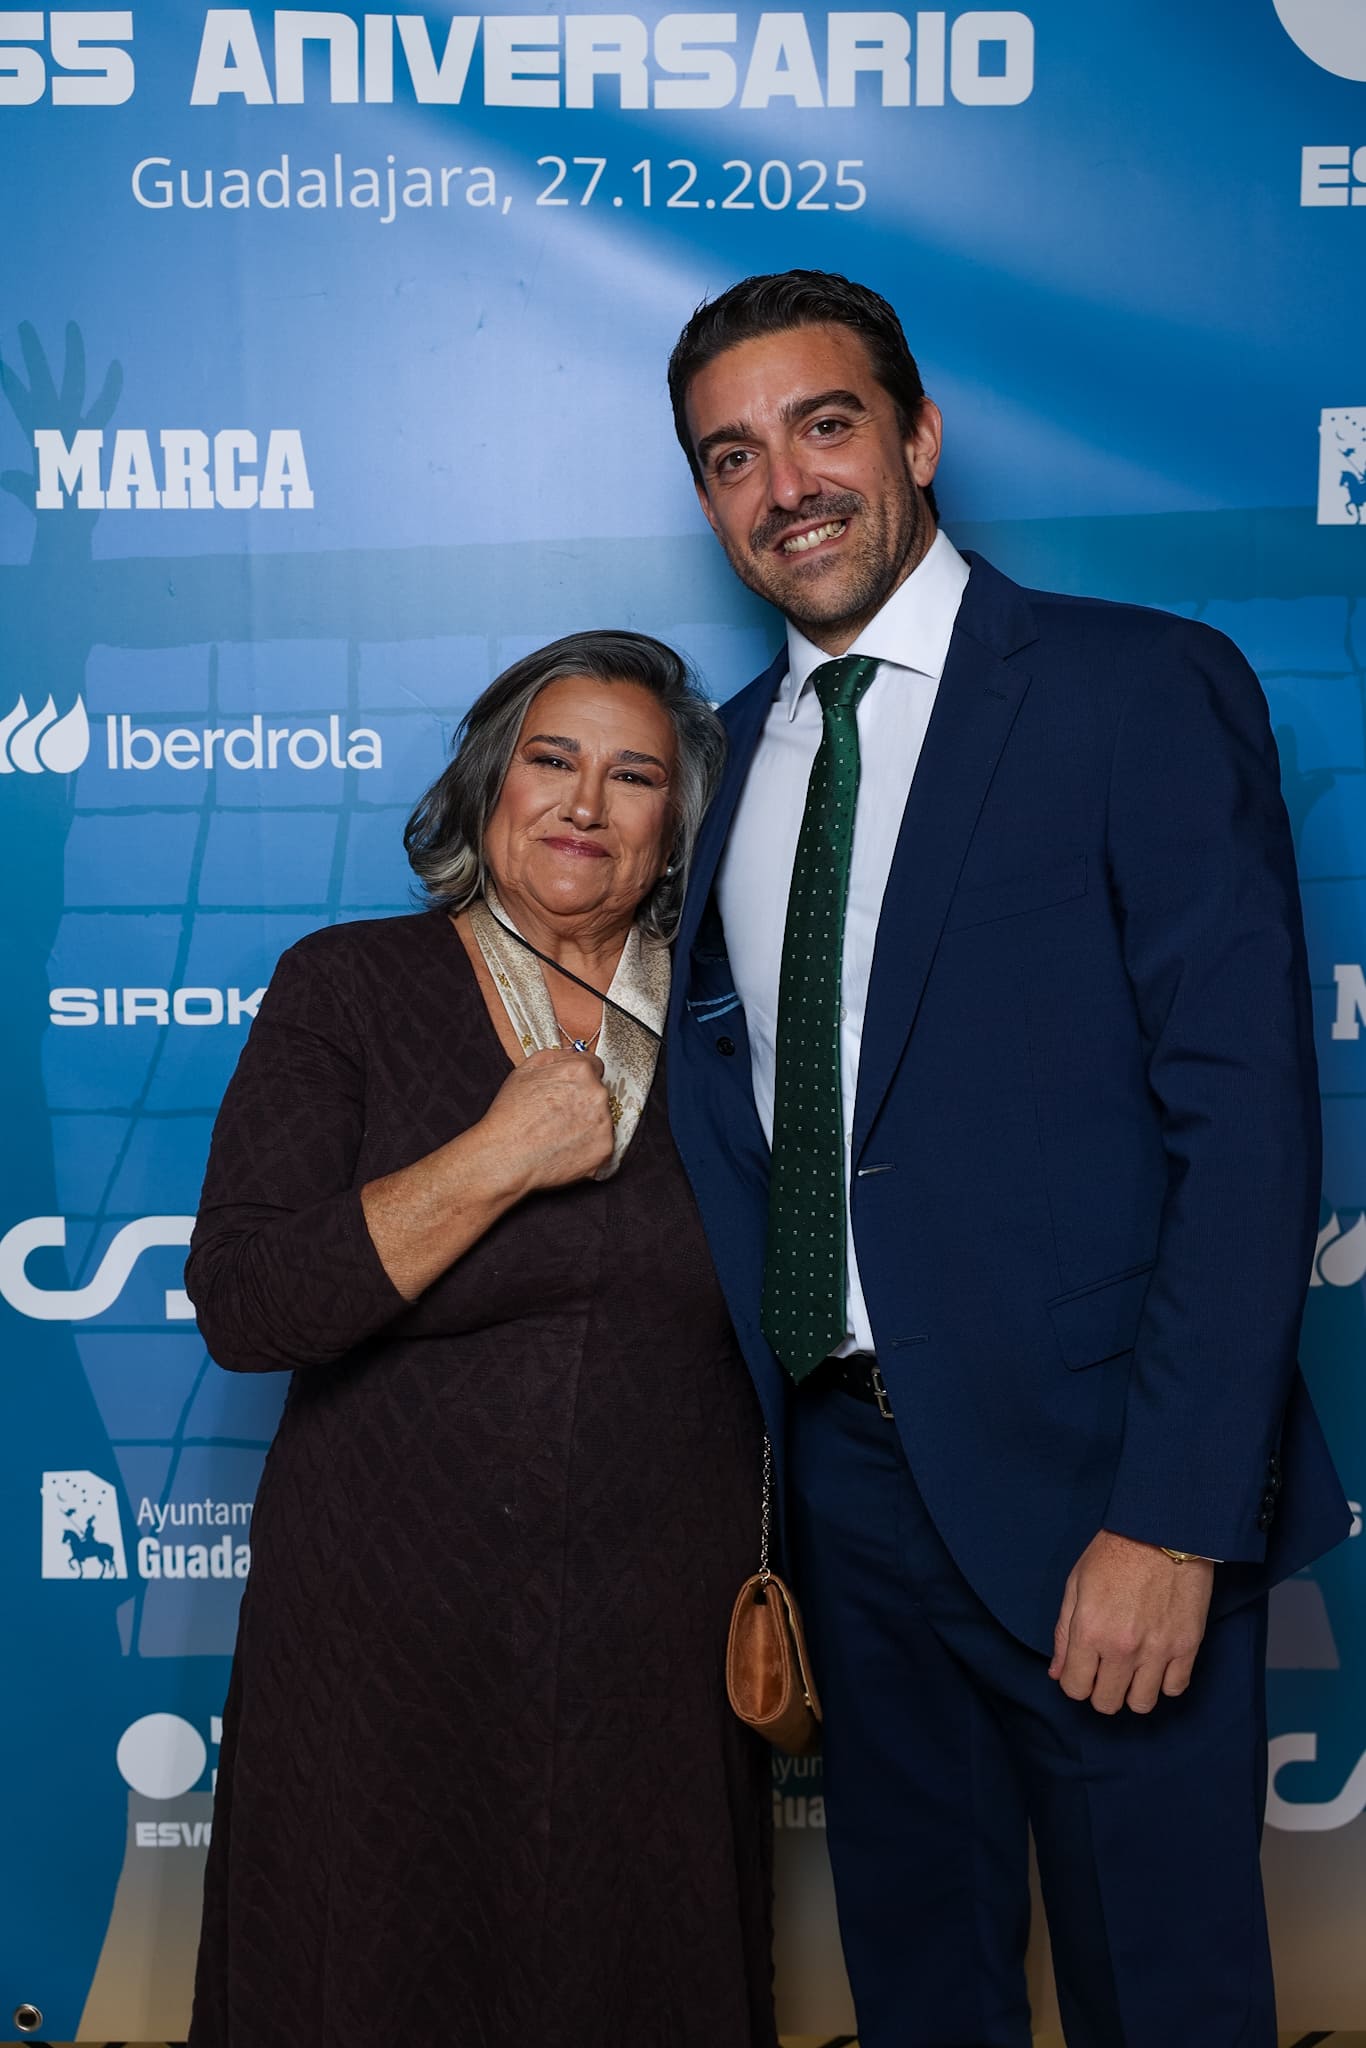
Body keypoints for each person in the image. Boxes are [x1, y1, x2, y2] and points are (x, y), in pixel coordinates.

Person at [662, 270, 1351, 2047]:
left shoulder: (1134, 686)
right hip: (843, 1495)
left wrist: (1173, 1517)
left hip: (1100, 1495)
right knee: (921, 1995)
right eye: (730, 456)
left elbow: (1246, 1123)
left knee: (1162, 2000)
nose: (784, 486)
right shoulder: (719, 767)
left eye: (822, 425)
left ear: (917, 436)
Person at [185, 630, 777, 2048]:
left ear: (678, 823)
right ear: (487, 787)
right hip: (382, 1623)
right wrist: (498, 1155)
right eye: (550, 760)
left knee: (641, 1977)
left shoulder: (735, 1024)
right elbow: (250, 1304)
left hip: (657, 1627)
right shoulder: (348, 985)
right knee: (370, 1969)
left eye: (634, 776)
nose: (584, 803)